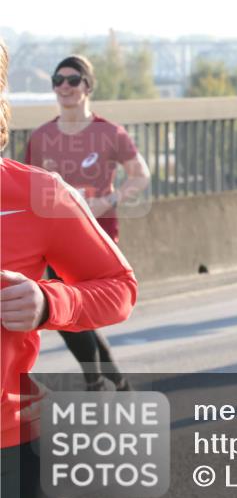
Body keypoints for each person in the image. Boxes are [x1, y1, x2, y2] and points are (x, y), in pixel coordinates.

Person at [1, 36, 138, 498]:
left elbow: (119, 287)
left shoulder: (35, 192)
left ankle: (108, 381)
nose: (64, 87)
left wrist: (46, 300)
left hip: (12, 444)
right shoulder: (42, 139)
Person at [23, 55, 150, 391]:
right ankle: (111, 381)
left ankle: (100, 382)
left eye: (73, 79)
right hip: (53, 237)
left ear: (88, 86)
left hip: (96, 234)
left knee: (77, 307)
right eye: (58, 79)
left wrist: (107, 201)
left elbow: (140, 175)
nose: (64, 86)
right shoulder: (41, 137)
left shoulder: (109, 133)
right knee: (73, 308)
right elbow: (27, 187)